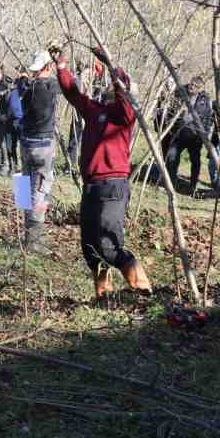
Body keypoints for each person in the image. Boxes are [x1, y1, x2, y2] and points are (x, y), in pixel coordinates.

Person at [54, 47, 151, 300]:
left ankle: (142, 290)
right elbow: (73, 94)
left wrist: (110, 64)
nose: (109, 89)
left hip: (112, 186)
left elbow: (122, 88)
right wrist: (61, 66)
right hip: (91, 187)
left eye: (115, 88)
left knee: (108, 246)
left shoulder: (125, 115)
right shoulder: (95, 110)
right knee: (90, 248)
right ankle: (104, 295)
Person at [19, 51, 61, 250]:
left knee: (23, 184)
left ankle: (23, 231)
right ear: (48, 67)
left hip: (25, 144)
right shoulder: (51, 86)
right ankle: (35, 241)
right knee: (41, 191)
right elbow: (74, 86)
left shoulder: (26, 88)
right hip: (42, 145)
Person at [164, 76, 212, 195]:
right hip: (179, 132)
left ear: (200, 88)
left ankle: (193, 185)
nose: (192, 87)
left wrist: (204, 134)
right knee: (171, 157)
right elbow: (171, 109)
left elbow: (207, 118)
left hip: (195, 135)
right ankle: (171, 183)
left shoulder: (205, 99)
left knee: (195, 160)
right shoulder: (180, 93)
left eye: (196, 86)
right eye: (191, 84)